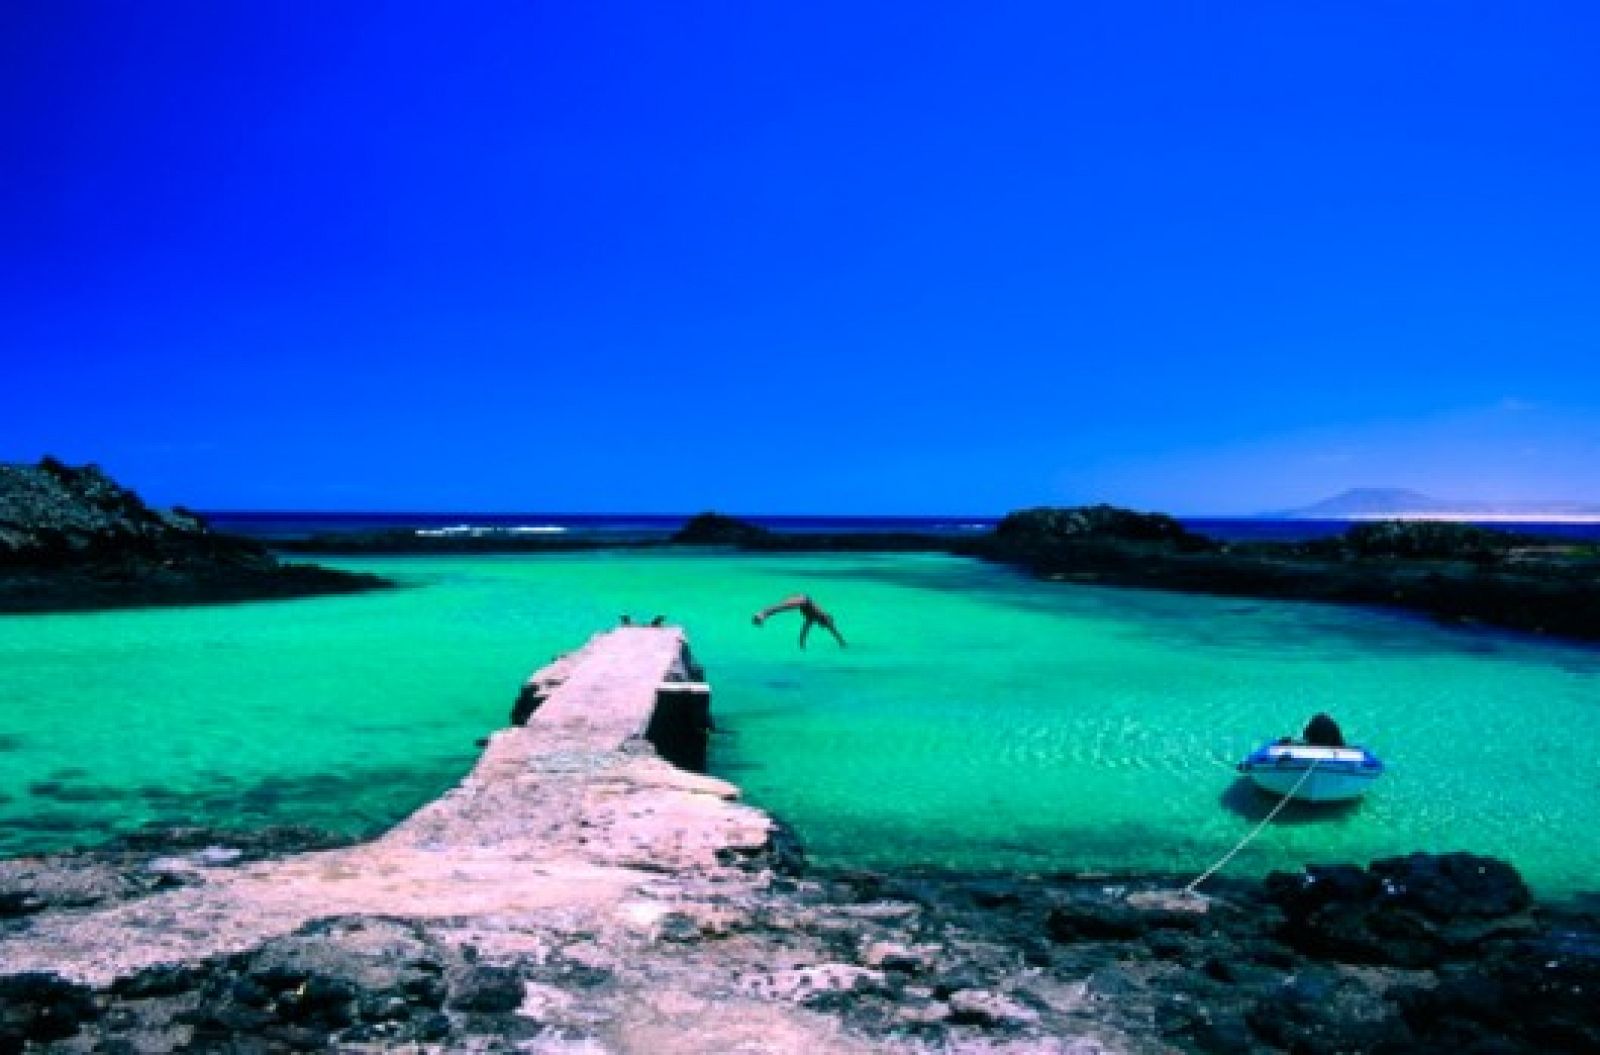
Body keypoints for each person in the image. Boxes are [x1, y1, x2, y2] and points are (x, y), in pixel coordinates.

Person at [752, 594, 847, 649]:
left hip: (802, 600)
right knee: (781, 608)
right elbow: (834, 631)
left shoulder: (813, 618)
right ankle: (762, 614)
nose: (823, 627)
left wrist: (802, 644)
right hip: (804, 600)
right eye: (824, 625)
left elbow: (804, 632)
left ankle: (761, 616)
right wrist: (841, 642)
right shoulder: (822, 617)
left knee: (781, 608)